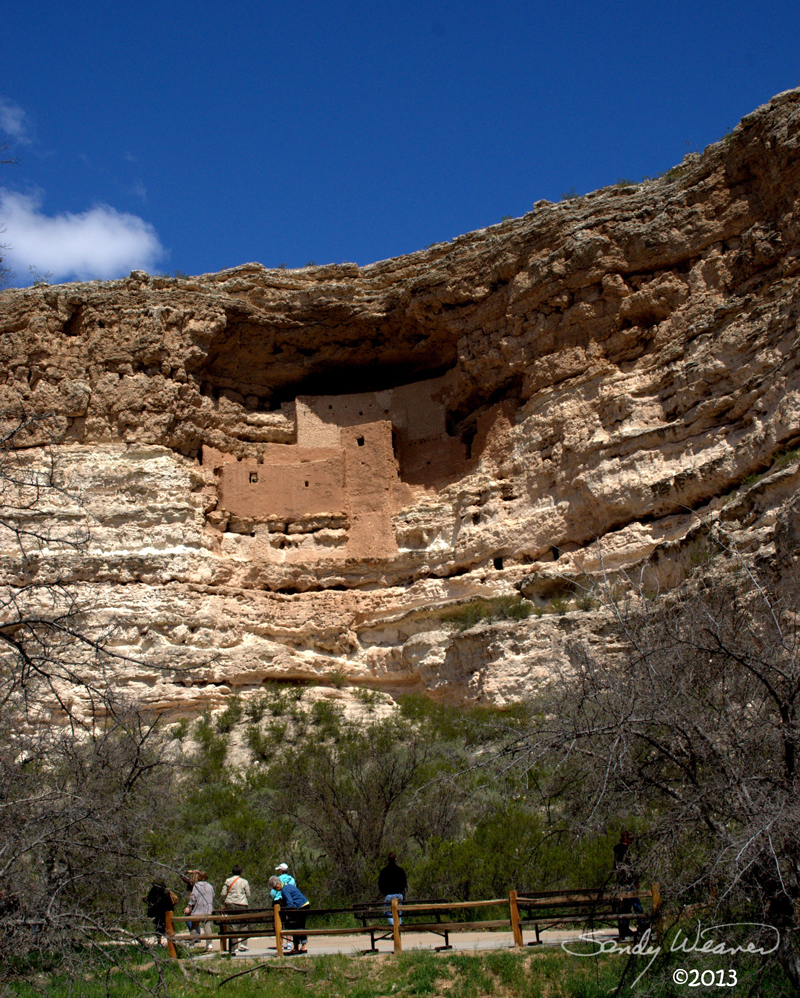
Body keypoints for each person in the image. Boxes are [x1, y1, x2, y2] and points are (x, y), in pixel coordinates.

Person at [613, 830, 644, 939]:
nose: (632, 841)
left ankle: (625, 928)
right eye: (631, 838)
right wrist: (633, 879)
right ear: (626, 839)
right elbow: (628, 867)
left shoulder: (618, 850)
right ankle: (642, 924)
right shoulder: (624, 850)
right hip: (627, 882)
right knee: (636, 904)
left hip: (621, 882)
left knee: (626, 906)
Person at [269, 876, 309, 954]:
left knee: (297, 926)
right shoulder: (287, 886)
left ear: (277, 884)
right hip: (303, 904)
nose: (274, 889)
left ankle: (299, 947)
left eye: (274, 888)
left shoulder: (284, 890)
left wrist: (284, 912)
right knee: (300, 926)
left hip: (301, 906)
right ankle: (300, 947)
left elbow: (290, 904)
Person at [221, 864, 251, 954]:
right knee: (243, 924)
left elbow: (223, 893)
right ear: (241, 872)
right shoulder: (244, 882)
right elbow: (248, 894)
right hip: (242, 903)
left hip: (230, 903)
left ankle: (234, 946)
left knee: (233, 925)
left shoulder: (228, 880)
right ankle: (243, 943)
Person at [185, 871, 215, 950]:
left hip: (197, 911)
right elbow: (213, 895)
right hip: (207, 910)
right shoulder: (210, 886)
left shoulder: (196, 886)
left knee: (194, 927)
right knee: (207, 927)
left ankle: (192, 943)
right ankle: (209, 944)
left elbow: (193, 898)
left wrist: (189, 907)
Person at [378, 852, 407, 925]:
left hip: (389, 895)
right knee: (398, 913)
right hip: (399, 894)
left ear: (387, 860)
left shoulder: (384, 871)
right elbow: (404, 883)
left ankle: (395, 926)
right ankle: (398, 927)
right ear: (395, 860)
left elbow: (380, 884)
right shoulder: (400, 870)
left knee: (387, 912)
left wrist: (384, 891)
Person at [145, 879, 175, 946]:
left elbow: (149, 901)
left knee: (158, 927)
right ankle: (169, 940)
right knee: (166, 926)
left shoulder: (153, 891)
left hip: (157, 913)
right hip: (166, 912)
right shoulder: (165, 891)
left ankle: (160, 941)